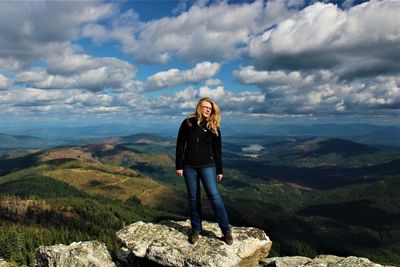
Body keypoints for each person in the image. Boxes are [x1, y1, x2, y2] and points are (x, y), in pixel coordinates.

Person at [175, 97, 233, 245]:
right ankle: (196, 230)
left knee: (214, 197)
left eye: (210, 108)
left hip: (208, 166)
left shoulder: (213, 126)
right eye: (205, 107)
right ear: (198, 107)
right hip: (189, 167)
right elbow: (180, 144)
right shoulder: (187, 122)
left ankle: (226, 231)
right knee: (193, 198)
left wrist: (219, 170)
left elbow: (217, 150)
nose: (208, 110)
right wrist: (179, 165)